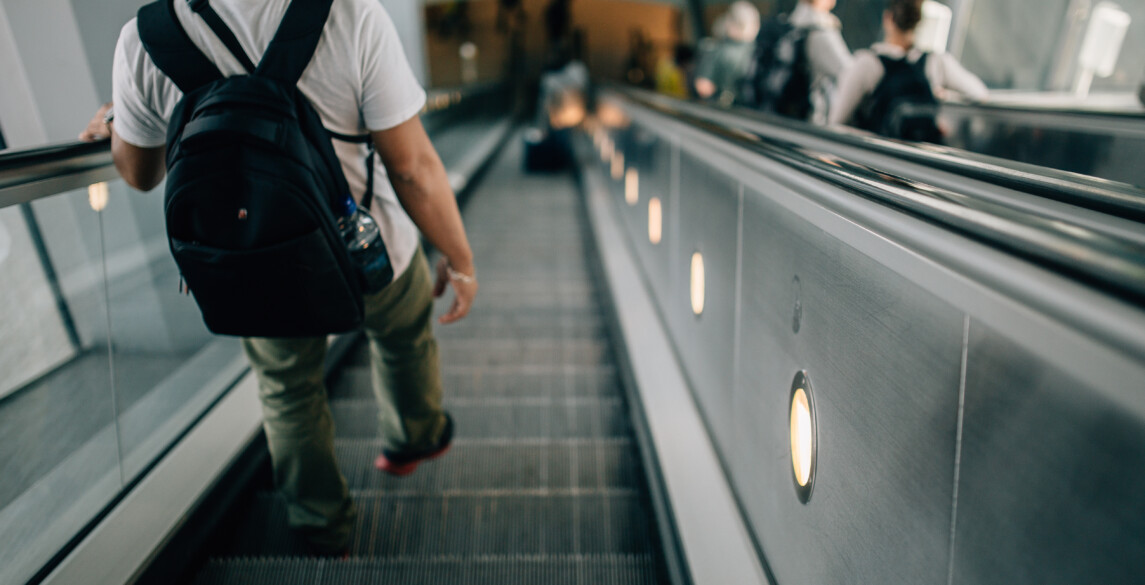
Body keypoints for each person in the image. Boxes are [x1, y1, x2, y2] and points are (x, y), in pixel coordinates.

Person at [80, 0, 477, 556]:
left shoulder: (145, 38)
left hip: (256, 264)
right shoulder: (350, 14)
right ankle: (412, 441)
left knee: (288, 390)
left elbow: (140, 174)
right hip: (370, 247)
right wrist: (459, 258)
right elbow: (411, 166)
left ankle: (322, 526)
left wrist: (121, 118)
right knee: (404, 335)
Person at [829, 0, 987, 140]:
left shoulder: (866, 63)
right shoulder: (935, 62)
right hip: (922, 161)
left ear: (888, 18)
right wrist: (941, 94)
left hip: (879, 164)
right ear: (919, 22)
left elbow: (836, 123)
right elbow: (979, 92)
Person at [740, 0, 852, 123]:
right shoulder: (820, 32)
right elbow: (851, 76)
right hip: (807, 124)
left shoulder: (786, 25)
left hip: (773, 117)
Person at [694, 1, 760, 106]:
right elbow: (703, 86)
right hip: (743, 109)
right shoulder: (758, 51)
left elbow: (703, 86)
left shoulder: (716, 49)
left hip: (728, 107)